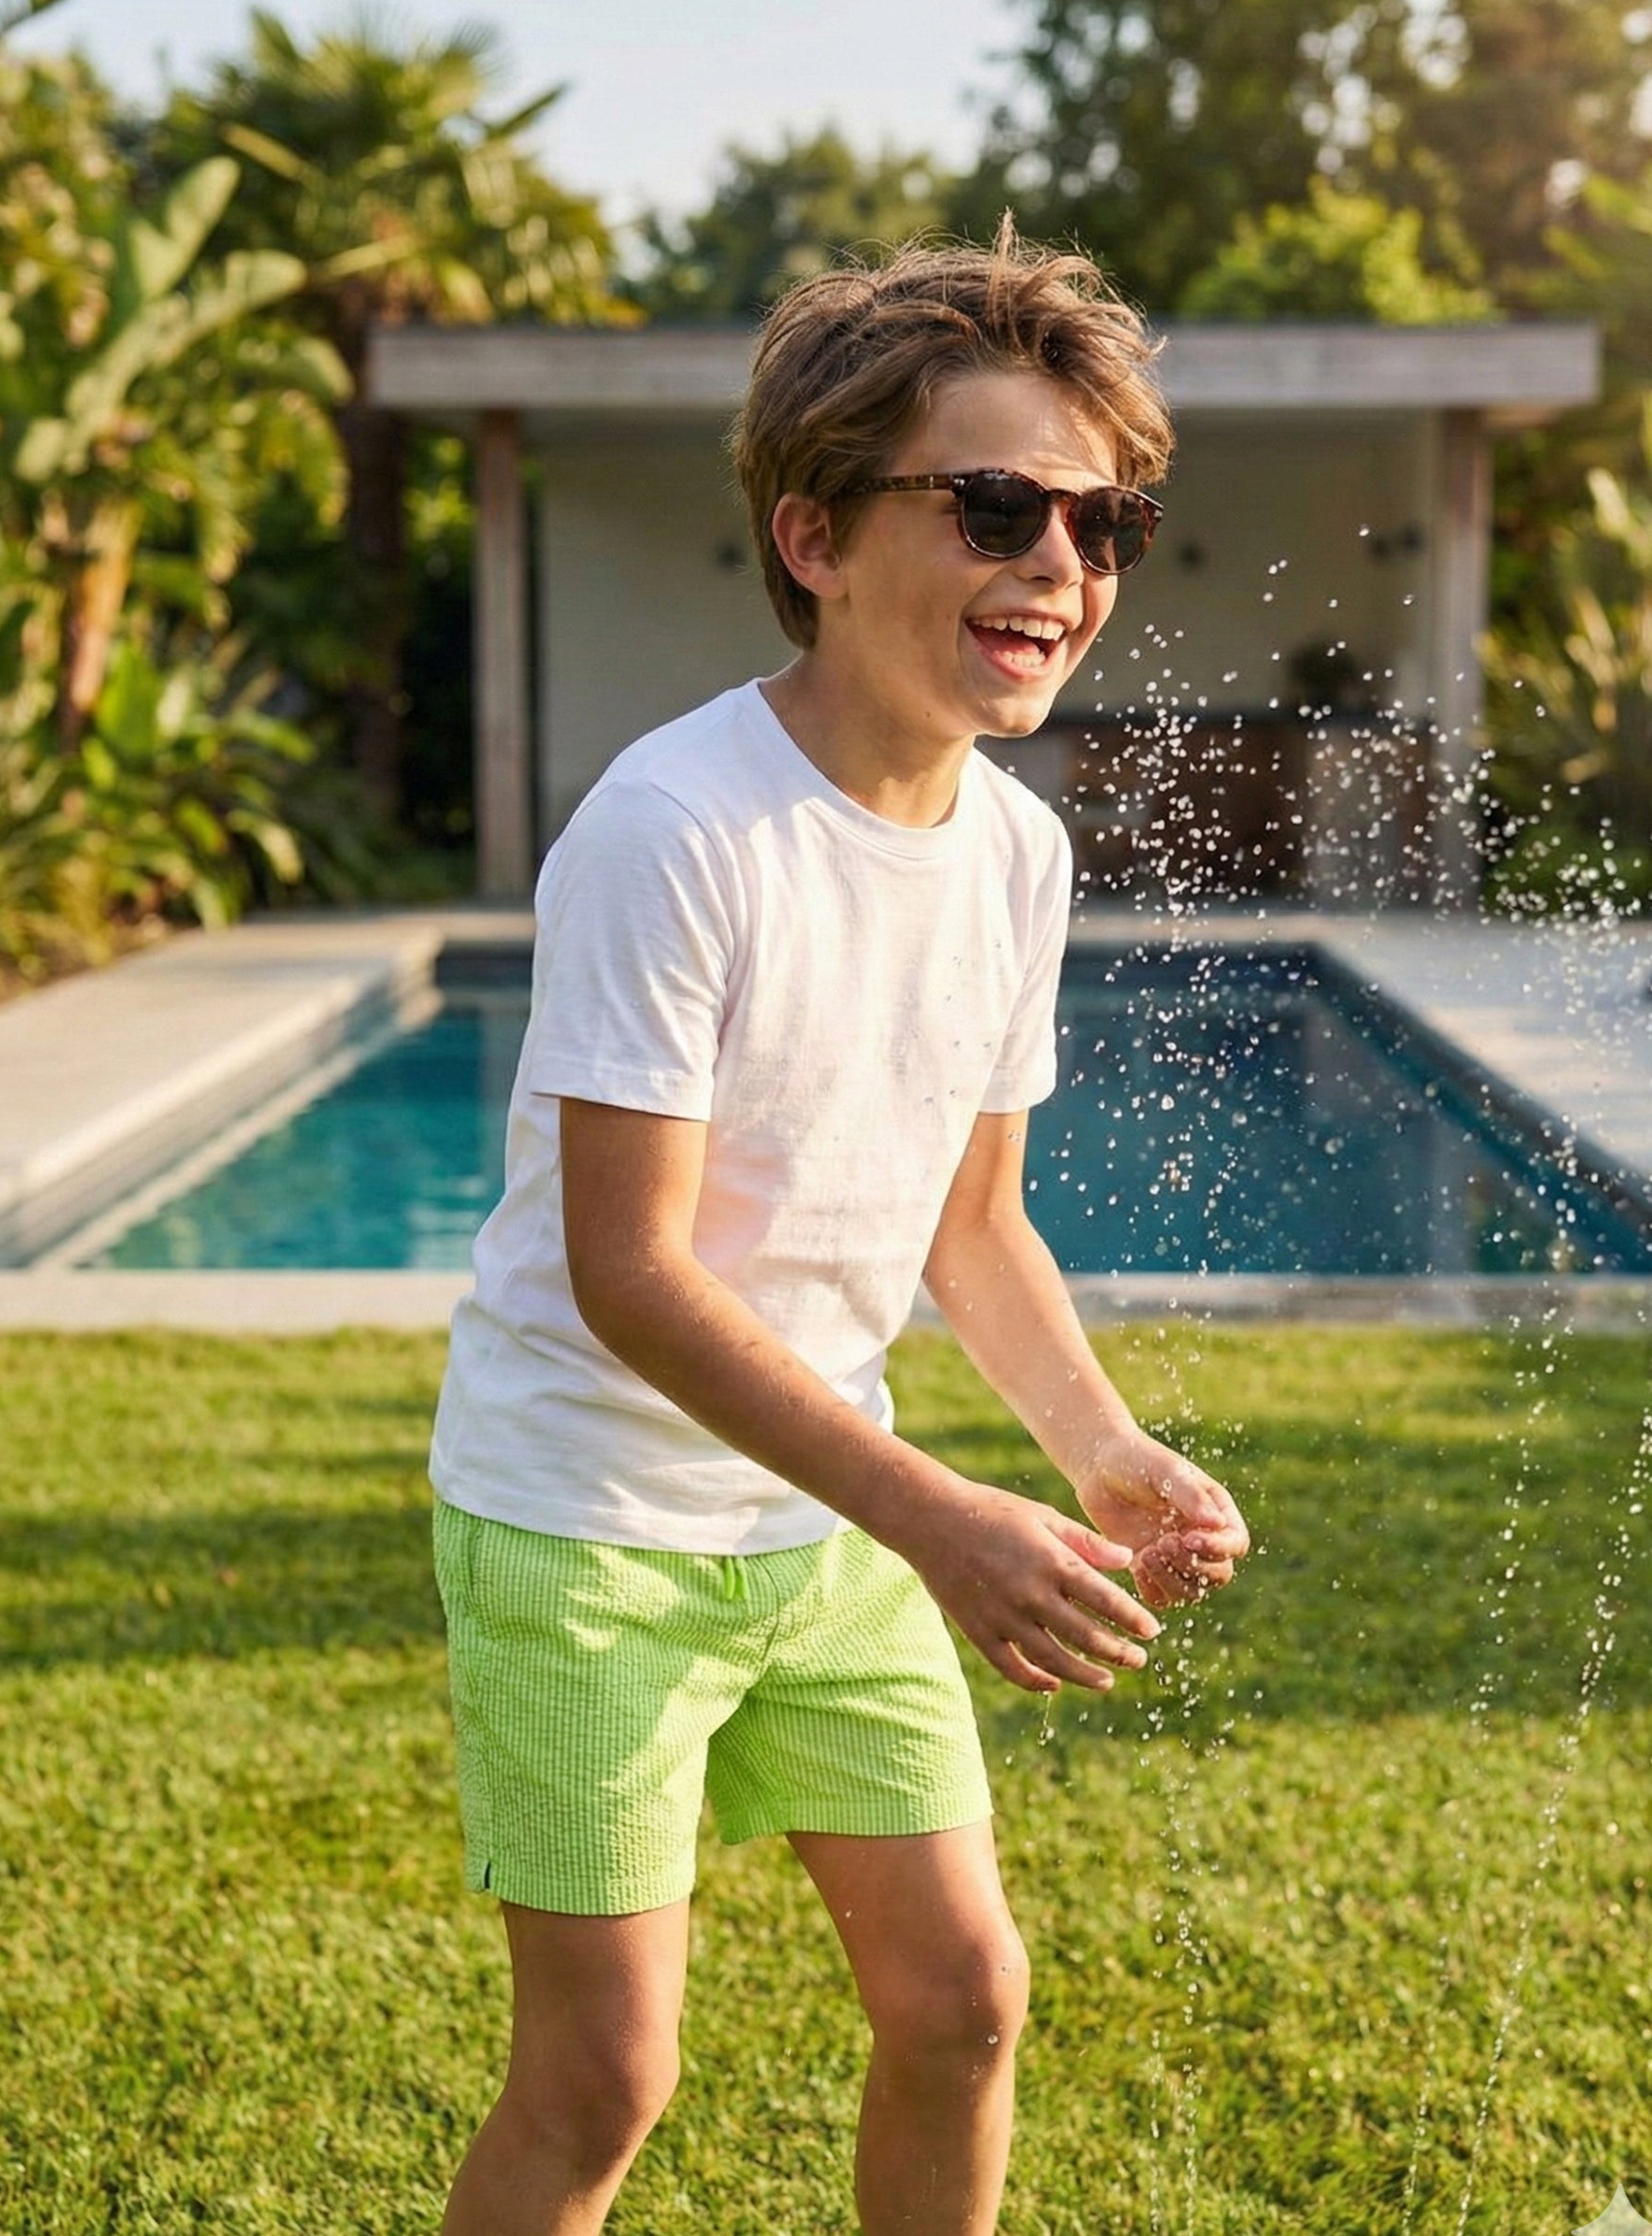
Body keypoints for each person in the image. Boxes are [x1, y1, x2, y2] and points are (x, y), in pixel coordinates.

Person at [428, 220, 1250, 2236]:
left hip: (826, 1525)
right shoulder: (672, 826)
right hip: (588, 1528)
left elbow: (972, 1223)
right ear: (812, 534)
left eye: (1101, 518)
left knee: (961, 2002)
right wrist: (940, 1515)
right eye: (991, 503)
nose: (1055, 562)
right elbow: (632, 1272)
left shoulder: (1013, 851)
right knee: (605, 2074)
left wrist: (1091, 1448)